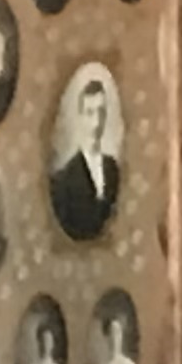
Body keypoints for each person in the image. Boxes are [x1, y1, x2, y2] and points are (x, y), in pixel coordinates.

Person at [48, 66, 122, 242]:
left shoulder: (112, 169)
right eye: (90, 113)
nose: (96, 122)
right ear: (80, 117)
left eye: (101, 112)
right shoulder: (63, 181)